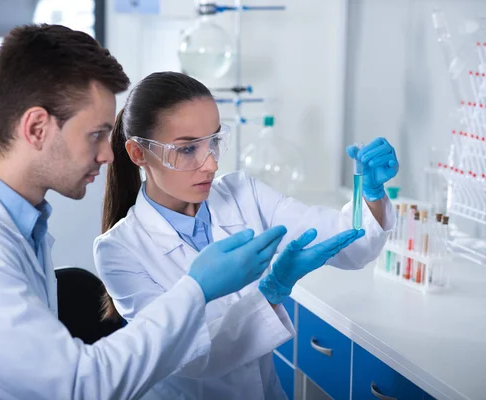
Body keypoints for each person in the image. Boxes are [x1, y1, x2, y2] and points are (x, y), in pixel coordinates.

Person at [0, 25, 295, 400]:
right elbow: (80, 387)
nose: (107, 154)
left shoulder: (16, 221)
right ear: (36, 129)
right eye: (97, 135)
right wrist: (196, 289)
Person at [94, 71, 399, 399]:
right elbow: (191, 358)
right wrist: (271, 291)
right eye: (187, 149)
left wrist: (368, 193)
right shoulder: (119, 250)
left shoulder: (242, 193)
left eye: (213, 141)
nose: (210, 164)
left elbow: (345, 244)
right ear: (139, 153)